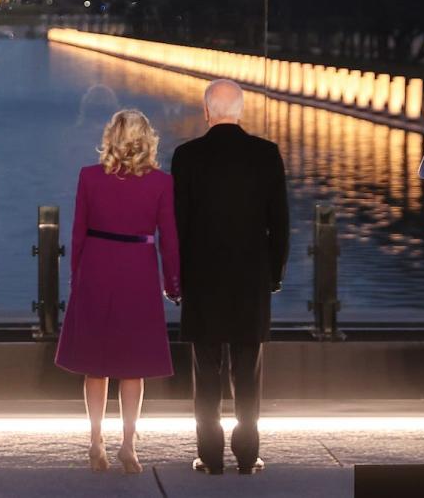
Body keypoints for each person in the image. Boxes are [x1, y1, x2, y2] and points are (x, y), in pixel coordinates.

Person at [171, 79, 289, 476]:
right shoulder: (267, 154)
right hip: (250, 281)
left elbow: (178, 226)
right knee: (247, 371)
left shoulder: (186, 156)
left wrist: (176, 277)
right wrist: (273, 275)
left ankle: (210, 455)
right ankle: (247, 454)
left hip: (202, 282)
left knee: (205, 373)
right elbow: (281, 225)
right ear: (241, 111)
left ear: (207, 111)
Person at [54, 109, 181, 475]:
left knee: (96, 365)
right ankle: (128, 445)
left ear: (112, 137)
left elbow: (78, 233)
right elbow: (169, 242)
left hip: (96, 266)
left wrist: (76, 278)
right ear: (147, 140)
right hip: (138, 271)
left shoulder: (89, 177)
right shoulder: (161, 183)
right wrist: (173, 284)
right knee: (132, 366)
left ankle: (95, 441)